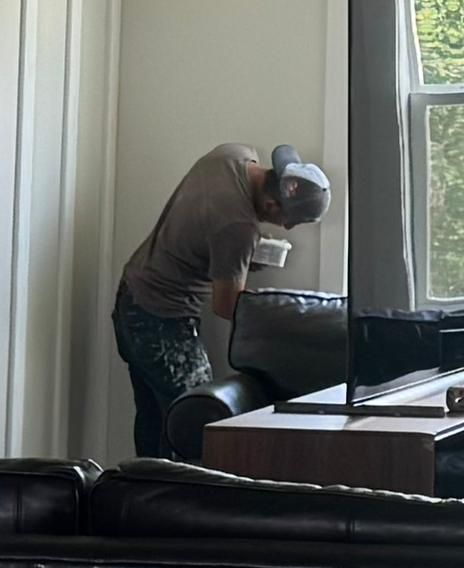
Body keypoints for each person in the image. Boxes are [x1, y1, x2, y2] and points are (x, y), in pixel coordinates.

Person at [111, 142, 330, 456]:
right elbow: (227, 306)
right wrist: (284, 319)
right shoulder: (238, 229)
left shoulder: (232, 155)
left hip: (131, 296)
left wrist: (236, 258)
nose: (287, 227)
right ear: (271, 204)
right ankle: (175, 487)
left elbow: (205, 224)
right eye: (288, 220)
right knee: (195, 423)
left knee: (155, 419)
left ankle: (142, 484)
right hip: (161, 321)